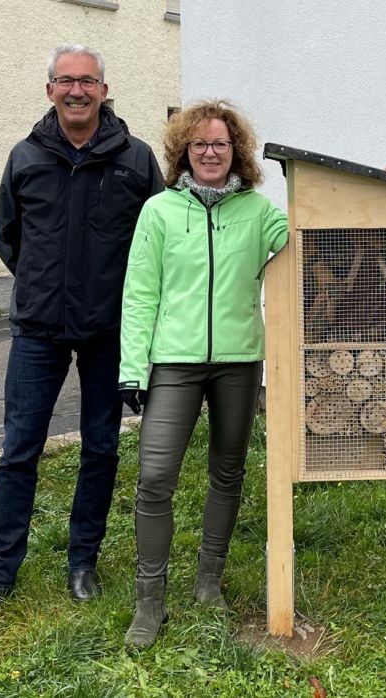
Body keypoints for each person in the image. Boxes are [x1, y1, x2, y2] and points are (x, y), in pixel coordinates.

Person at [0, 45, 163, 625]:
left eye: (87, 81)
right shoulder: (25, 157)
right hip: (37, 333)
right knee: (19, 451)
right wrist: (43, 287)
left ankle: (82, 564)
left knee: (100, 447)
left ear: (103, 88)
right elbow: (9, 237)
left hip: (109, 332)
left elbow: (155, 243)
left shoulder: (136, 159)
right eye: (66, 81)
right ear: (50, 89)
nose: (77, 91)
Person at [117, 100, 288, 646]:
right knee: (154, 478)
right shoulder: (160, 211)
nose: (210, 152)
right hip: (175, 363)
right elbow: (140, 293)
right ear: (183, 152)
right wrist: (131, 368)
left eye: (220, 143)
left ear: (235, 150)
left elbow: (312, 242)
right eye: (199, 144)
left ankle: (208, 580)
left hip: (240, 362)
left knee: (227, 472)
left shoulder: (259, 212)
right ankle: (150, 602)